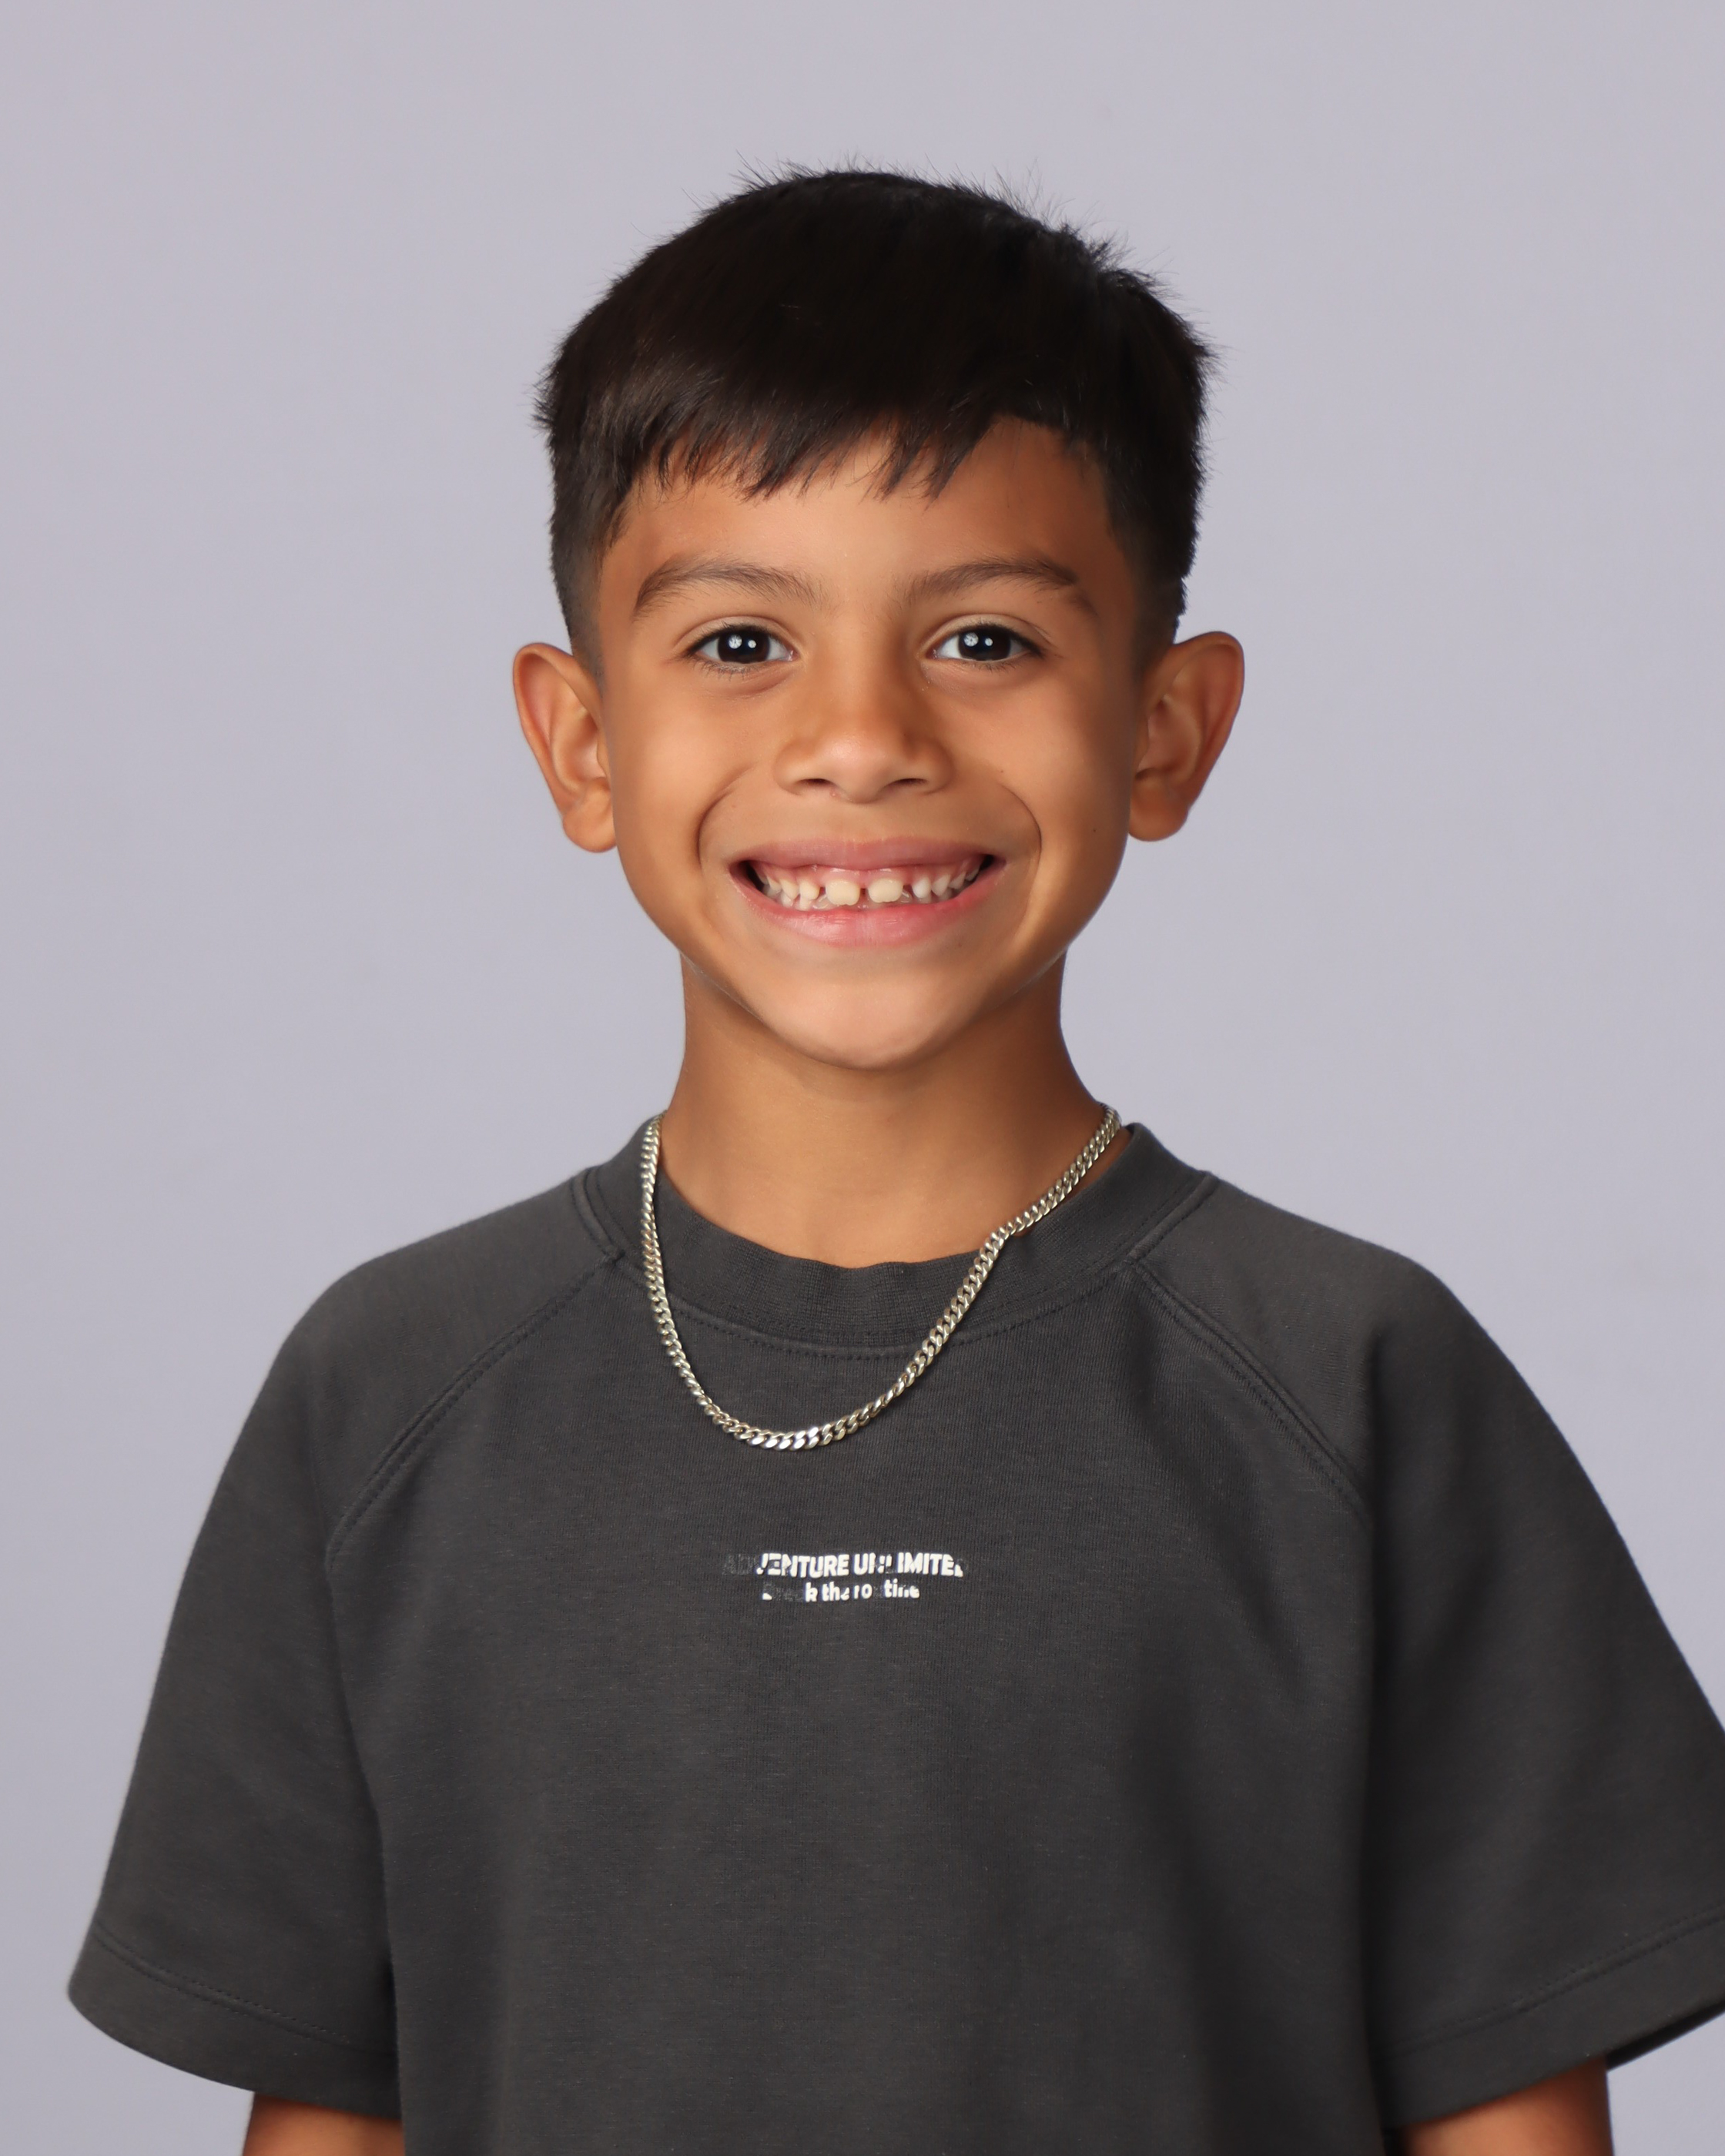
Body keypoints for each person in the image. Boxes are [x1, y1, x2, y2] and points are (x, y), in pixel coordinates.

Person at [70, 169, 1725, 2156]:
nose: (860, 740)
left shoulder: (1354, 1384)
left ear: (1166, 732)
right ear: (581, 744)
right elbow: (336, 2116)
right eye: (741, 640)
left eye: (986, 638)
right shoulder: (390, 1393)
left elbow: (1513, 2119)